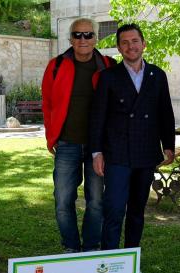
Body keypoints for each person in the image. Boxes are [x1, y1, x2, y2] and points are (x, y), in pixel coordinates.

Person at [90, 24, 175, 273]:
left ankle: (130, 264)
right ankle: (106, 264)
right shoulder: (108, 77)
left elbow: (165, 113)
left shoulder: (157, 75)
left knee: (137, 211)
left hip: (146, 153)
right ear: (118, 48)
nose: (130, 46)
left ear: (144, 43)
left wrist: (168, 145)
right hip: (116, 153)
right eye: (124, 42)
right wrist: (97, 152)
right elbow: (98, 117)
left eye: (135, 41)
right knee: (114, 210)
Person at [41, 18, 115, 253]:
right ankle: (71, 247)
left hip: (98, 148)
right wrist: (51, 136)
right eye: (78, 35)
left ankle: (91, 247)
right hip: (67, 144)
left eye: (88, 35)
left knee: (96, 201)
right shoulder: (56, 65)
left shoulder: (108, 65)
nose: (83, 40)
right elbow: (48, 103)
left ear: (95, 38)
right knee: (63, 200)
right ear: (71, 39)